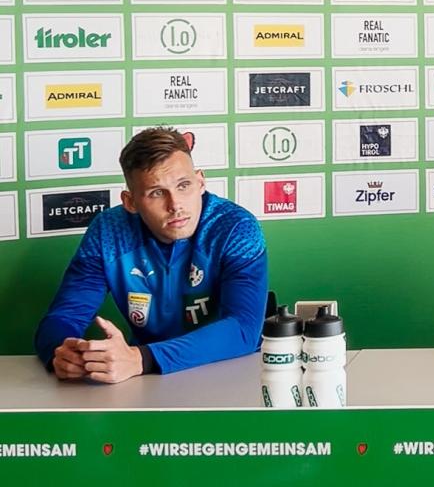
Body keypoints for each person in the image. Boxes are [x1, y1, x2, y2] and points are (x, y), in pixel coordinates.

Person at [34, 128, 268, 383]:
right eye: (156, 193)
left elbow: (244, 329)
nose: (175, 205)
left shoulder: (235, 227)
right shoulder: (108, 232)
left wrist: (141, 358)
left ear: (200, 182)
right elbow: (64, 317)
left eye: (183, 185)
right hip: (146, 378)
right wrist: (60, 351)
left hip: (228, 372)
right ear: (131, 202)